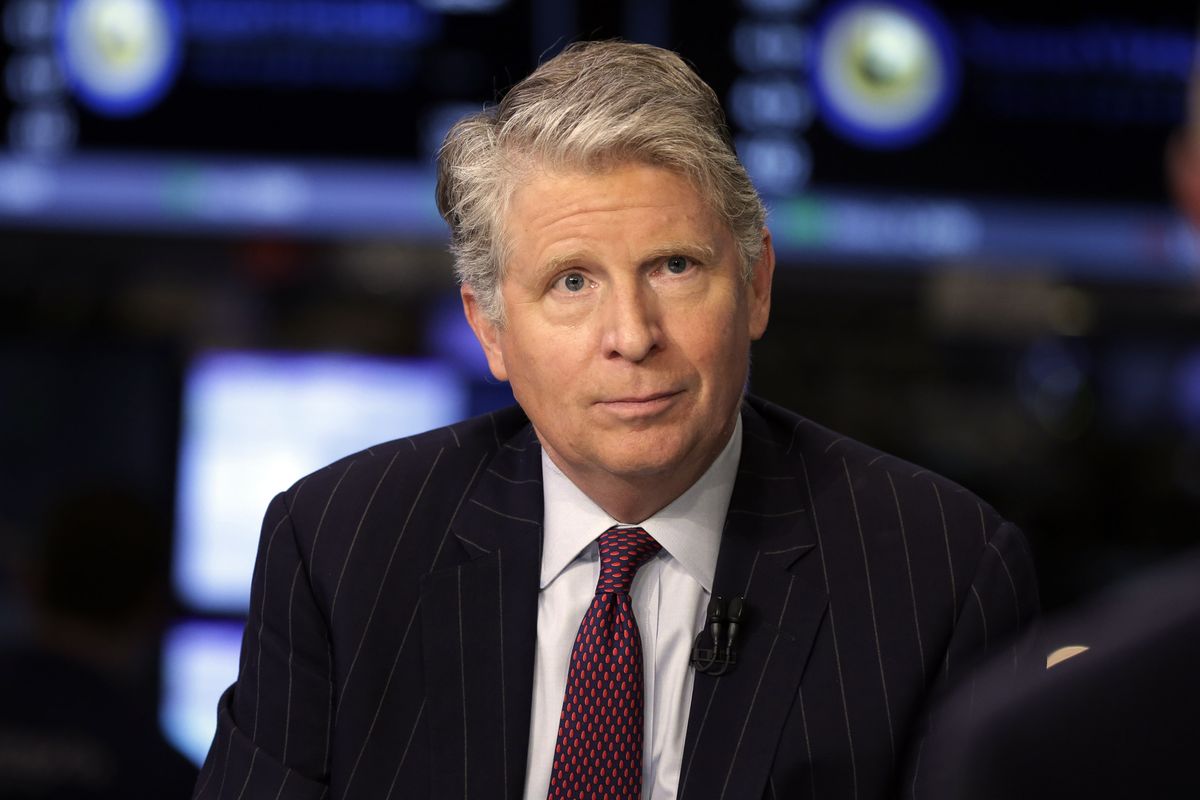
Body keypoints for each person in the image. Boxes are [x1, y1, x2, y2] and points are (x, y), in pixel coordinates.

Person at [194, 40, 1037, 800]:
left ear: (756, 284)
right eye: (571, 282)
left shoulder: (939, 571)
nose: (632, 335)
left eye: (674, 266)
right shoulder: (343, 546)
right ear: (490, 328)